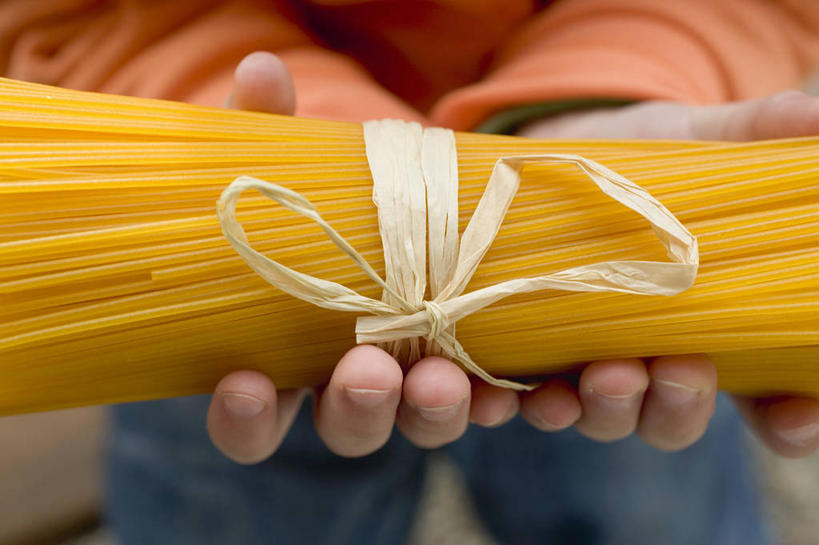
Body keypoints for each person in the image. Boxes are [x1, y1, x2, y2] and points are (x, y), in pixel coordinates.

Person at [3, 1, 819, 543]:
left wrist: (604, 94)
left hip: (608, 256)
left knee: (639, 504)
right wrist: (285, 150)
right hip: (214, 244)